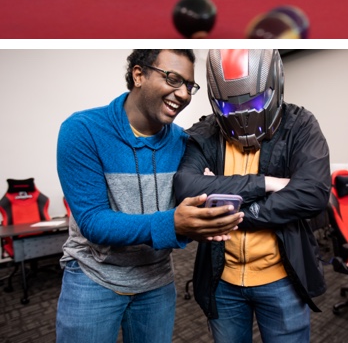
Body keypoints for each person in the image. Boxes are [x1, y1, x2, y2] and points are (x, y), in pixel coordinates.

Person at [56, 50, 243, 343]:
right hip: (93, 278)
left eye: (189, 86)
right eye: (172, 79)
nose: (182, 94)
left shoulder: (183, 142)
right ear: (139, 75)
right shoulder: (83, 130)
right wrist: (175, 224)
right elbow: (94, 222)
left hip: (156, 281)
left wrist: (202, 219)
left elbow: (183, 210)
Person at [172, 49, 331, 343]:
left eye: (254, 102)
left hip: (283, 279)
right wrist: (266, 183)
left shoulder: (300, 125)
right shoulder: (206, 131)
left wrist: (227, 206)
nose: (242, 114)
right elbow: (184, 187)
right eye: (229, 107)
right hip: (222, 280)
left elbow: (313, 194)